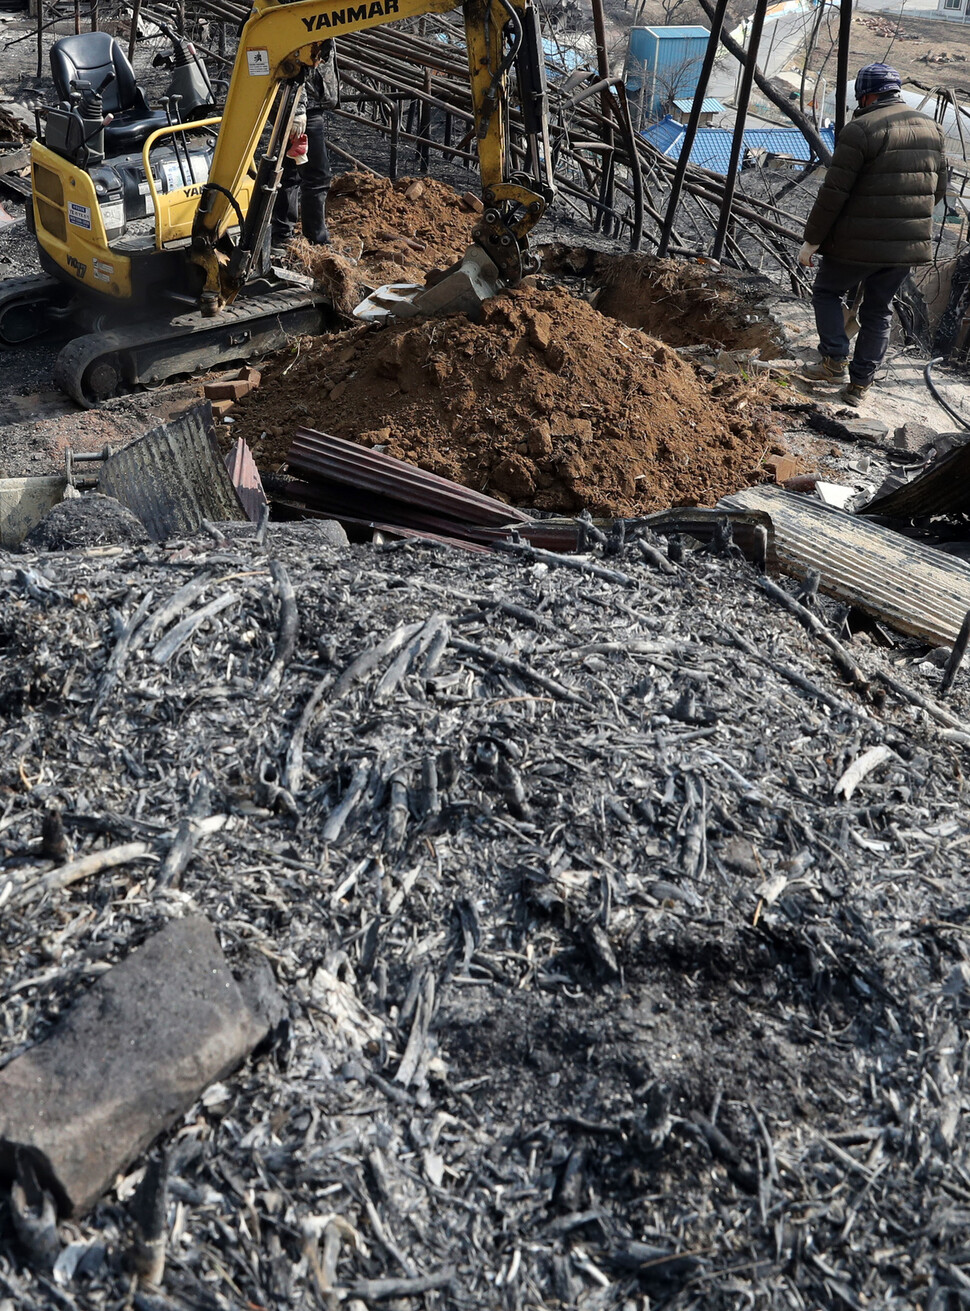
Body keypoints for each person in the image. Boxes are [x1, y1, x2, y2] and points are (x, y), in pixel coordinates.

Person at [798, 62, 947, 408]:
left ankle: (834, 361)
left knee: (826, 291)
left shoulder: (860, 129)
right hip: (907, 245)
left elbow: (833, 193)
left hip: (856, 243)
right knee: (878, 311)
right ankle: (859, 386)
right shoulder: (933, 130)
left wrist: (812, 241)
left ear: (865, 96)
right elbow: (938, 191)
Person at [271, 41, 338, 256]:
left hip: (297, 104)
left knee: (290, 171)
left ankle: (282, 236)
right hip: (301, 107)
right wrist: (298, 108)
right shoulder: (303, 14)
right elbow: (292, 58)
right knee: (317, 176)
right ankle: (316, 241)